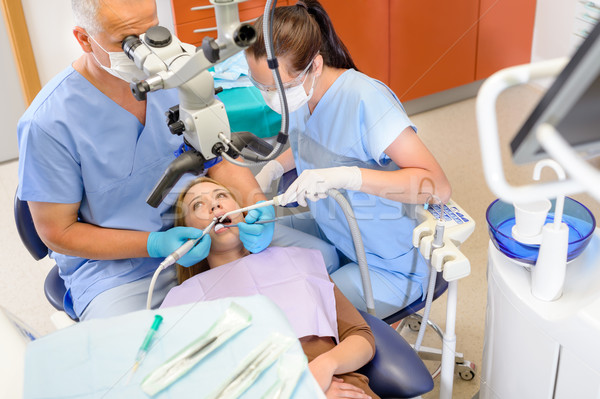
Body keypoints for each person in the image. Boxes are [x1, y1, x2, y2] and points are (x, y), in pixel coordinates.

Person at [16, 0, 278, 321]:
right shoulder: (48, 124)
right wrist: (156, 244)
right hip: (118, 269)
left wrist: (257, 206)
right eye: (126, 41)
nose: (147, 52)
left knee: (303, 275)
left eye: (152, 33)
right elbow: (58, 232)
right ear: (84, 39)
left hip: (207, 229)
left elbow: (216, 157)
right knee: (139, 354)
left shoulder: (178, 72)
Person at [245, 0, 452, 318]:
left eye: (277, 87)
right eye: (260, 86)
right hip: (335, 233)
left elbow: (437, 187)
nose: (269, 97)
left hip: (389, 264)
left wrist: (348, 176)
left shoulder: (364, 99)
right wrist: (274, 166)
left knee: (299, 311)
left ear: (313, 65)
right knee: (260, 251)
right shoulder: (302, 93)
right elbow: (314, 142)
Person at [161, 177, 378, 399]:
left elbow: (360, 336)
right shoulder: (184, 302)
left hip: (343, 387)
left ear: (242, 210)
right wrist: (299, 390)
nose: (214, 205)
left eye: (221, 195)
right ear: (186, 232)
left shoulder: (298, 262)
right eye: (198, 205)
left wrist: (323, 367)